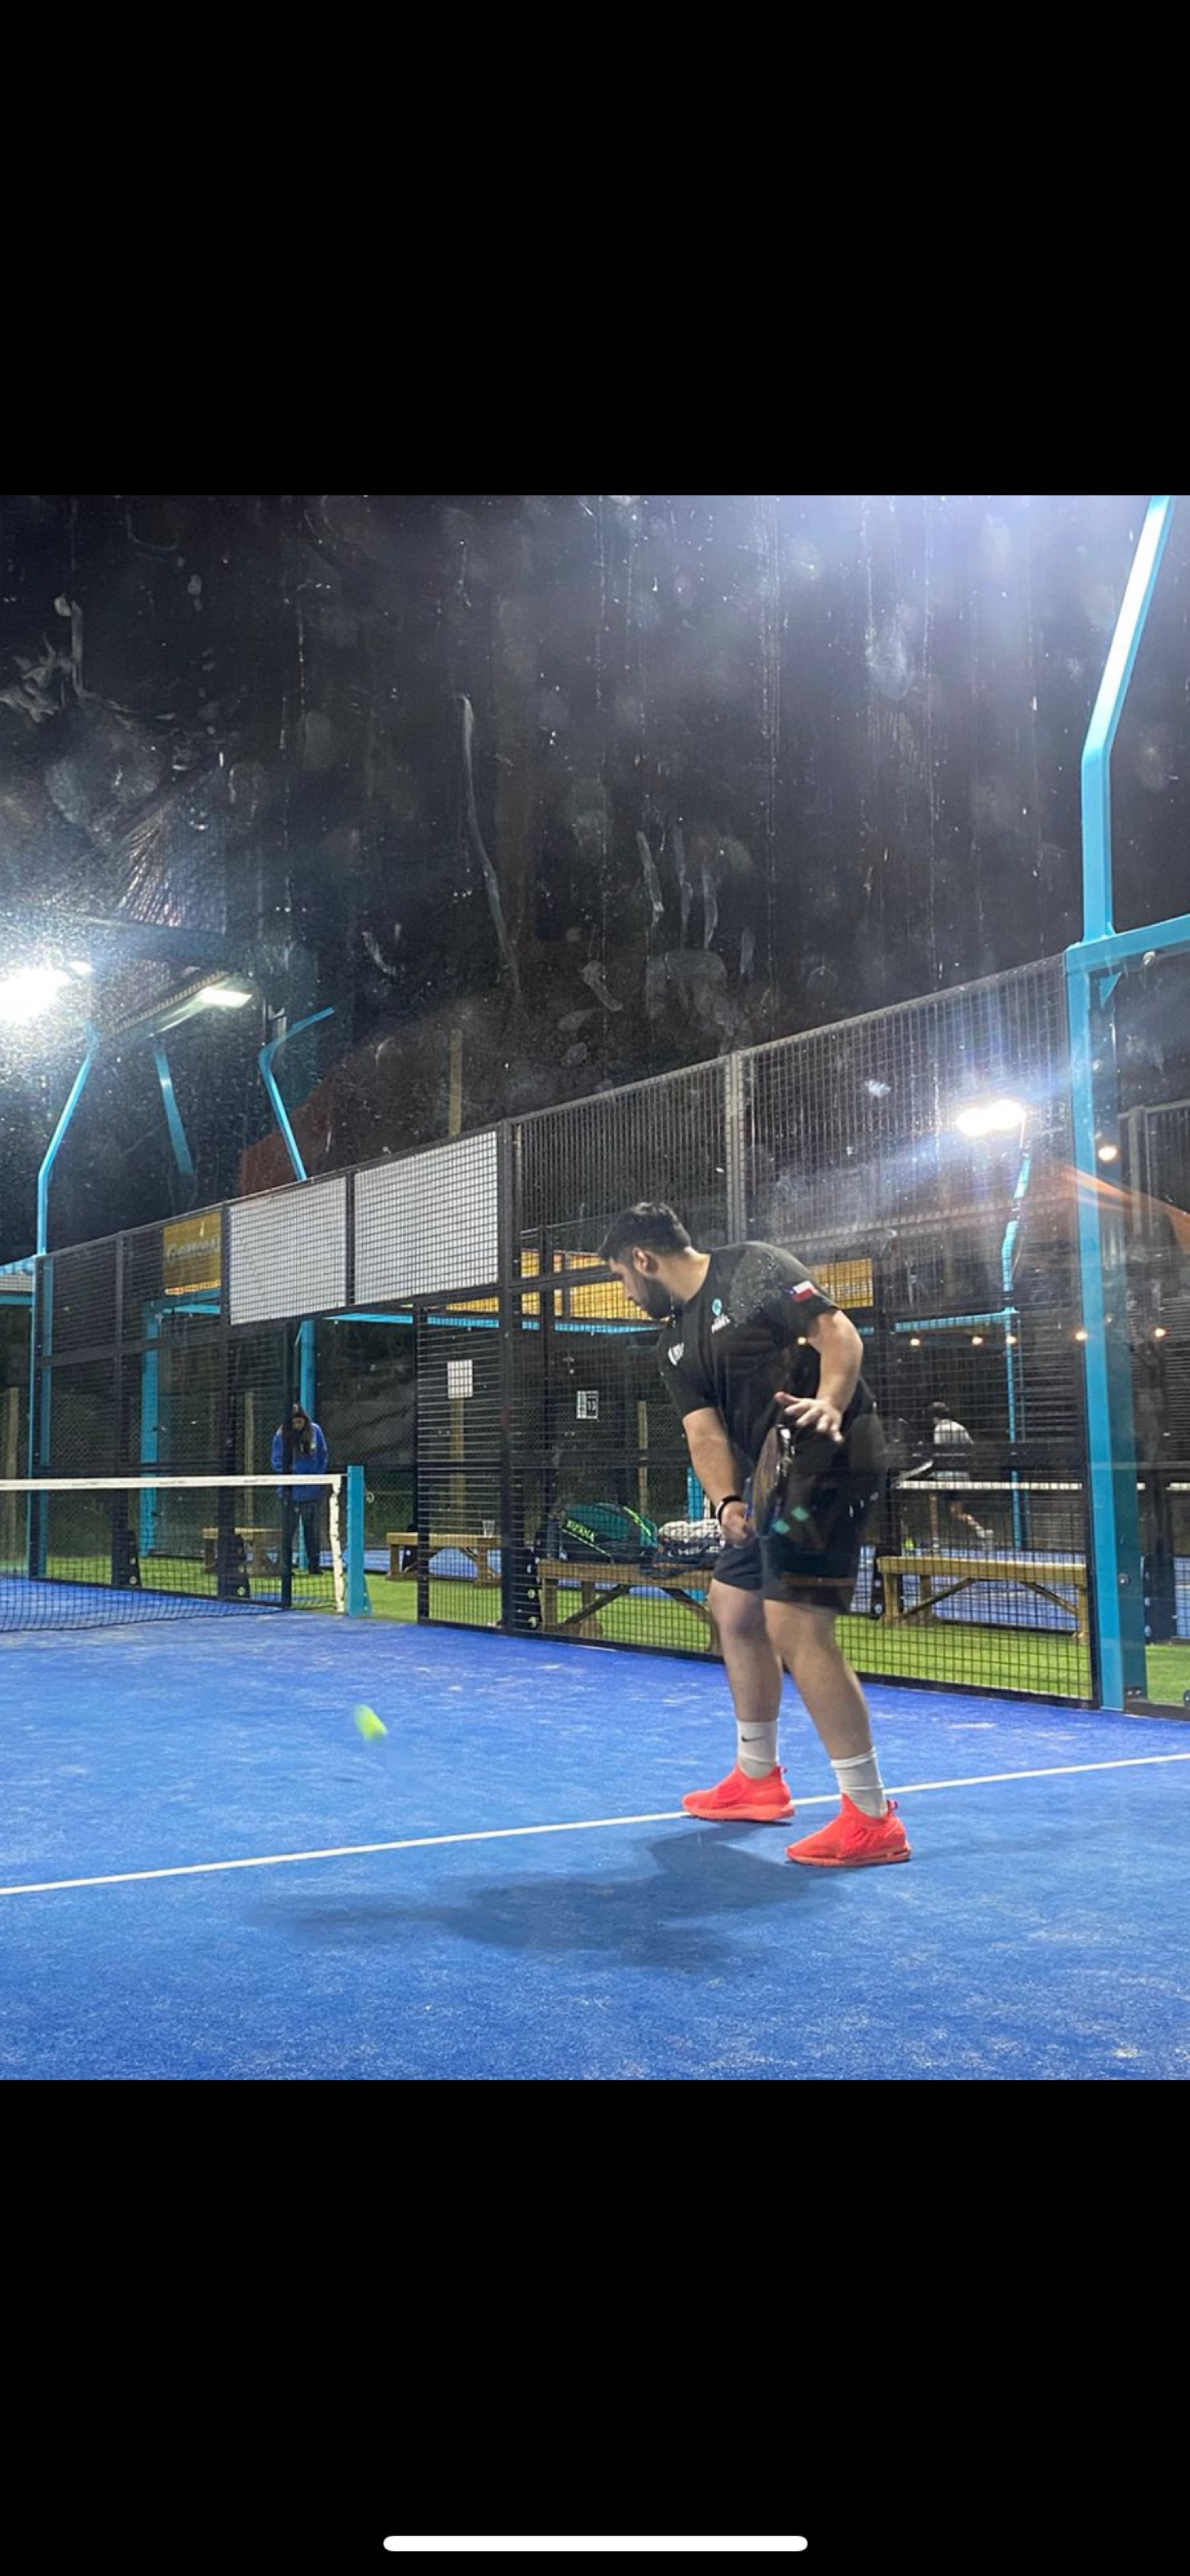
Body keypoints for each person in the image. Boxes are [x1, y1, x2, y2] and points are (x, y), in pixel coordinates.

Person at [598, 1203, 910, 1867]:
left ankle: (871, 1817)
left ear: (643, 1259)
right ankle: (757, 1780)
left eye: (622, 1276)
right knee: (734, 1605)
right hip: (770, 1480)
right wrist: (727, 1501)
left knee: (796, 1624)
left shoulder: (753, 1269)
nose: (626, 1293)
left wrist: (830, 1400)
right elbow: (705, 1435)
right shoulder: (673, 1344)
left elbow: (836, 1332)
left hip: (832, 1454)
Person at [900, 1401, 992, 1545]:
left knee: (932, 1503)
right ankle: (980, 1531)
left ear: (934, 1417)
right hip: (961, 1476)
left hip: (944, 1476)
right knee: (956, 1512)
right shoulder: (960, 1427)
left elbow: (939, 1452)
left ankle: (935, 1541)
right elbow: (971, 1448)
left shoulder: (939, 1429)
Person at [270, 1404, 329, 1574]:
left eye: (300, 1422)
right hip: (290, 1493)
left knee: (313, 1532)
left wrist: (317, 1477)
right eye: (294, 1422)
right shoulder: (281, 1435)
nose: (298, 1425)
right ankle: (285, 1566)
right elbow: (277, 1460)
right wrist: (290, 1476)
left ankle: (314, 1566)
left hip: (312, 1492)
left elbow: (323, 1455)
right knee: (288, 1532)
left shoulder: (315, 1431)